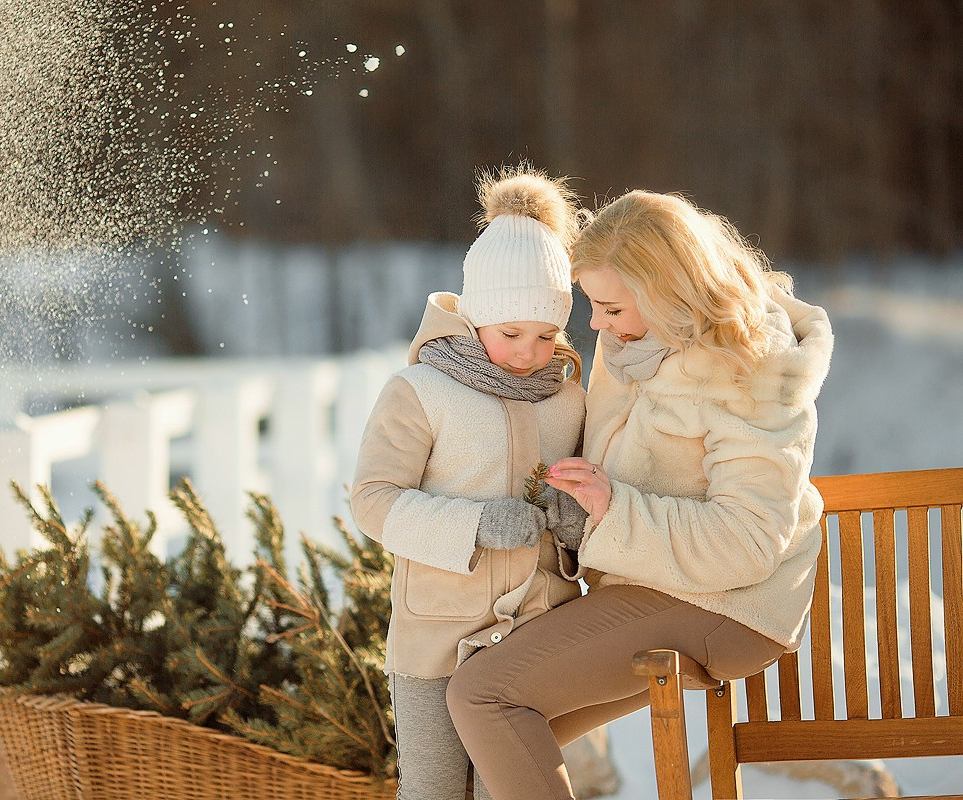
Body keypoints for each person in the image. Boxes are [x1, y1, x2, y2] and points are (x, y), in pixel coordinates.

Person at [445, 189, 834, 800]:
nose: (594, 324)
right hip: (648, 586)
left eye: (609, 307)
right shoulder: (634, 343)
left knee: (482, 695)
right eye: (592, 305)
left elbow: (750, 542)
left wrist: (614, 510)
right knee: (481, 753)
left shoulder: (751, 368)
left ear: (669, 294)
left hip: (728, 603)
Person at [351, 166, 591, 800]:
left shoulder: (567, 400)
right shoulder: (420, 391)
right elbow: (373, 501)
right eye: (510, 333)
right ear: (477, 314)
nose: (528, 352)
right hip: (437, 637)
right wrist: (476, 524)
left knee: (509, 787)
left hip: (535, 633)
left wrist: (574, 520)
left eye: (546, 335)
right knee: (433, 789)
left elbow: (581, 492)